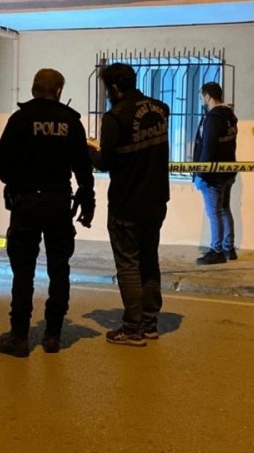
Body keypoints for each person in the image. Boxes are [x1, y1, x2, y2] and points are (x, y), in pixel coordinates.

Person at [0, 69, 95, 357]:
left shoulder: (20, 119)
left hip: (26, 203)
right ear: (59, 90)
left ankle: (19, 336)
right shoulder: (70, 121)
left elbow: (2, 165)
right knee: (59, 268)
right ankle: (53, 334)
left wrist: (18, 183)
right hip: (58, 203)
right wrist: (88, 201)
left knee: (23, 270)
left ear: (33, 88)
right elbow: (83, 168)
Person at [88, 63, 169, 347]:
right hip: (157, 199)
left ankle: (132, 328)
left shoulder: (115, 117)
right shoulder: (160, 109)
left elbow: (106, 162)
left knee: (129, 264)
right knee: (149, 259)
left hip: (128, 202)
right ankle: (149, 322)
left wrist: (90, 151)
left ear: (113, 88)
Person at [193, 82, 239, 265]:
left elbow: (208, 148)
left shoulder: (213, 118)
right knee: (225, 209)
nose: (201, 101)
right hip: (228, 171)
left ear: (208, 97)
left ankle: (216, 251)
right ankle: (229, 248)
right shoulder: (229, 116)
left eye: (201, 97)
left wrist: (201, 174)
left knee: (214, 213)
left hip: (213, 175)